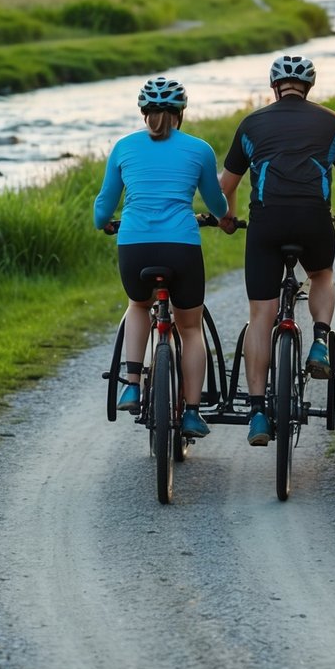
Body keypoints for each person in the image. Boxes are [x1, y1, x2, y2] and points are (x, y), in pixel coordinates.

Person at [219, 54, 335, 447]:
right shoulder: (332, 122)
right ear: (309, 88)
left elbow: (225, 187)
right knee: (321, 274)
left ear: (273, 87)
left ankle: (257, 413)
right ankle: (319, 339)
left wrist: (228, 218)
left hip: (266, 223)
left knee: (261, 314)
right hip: (314, 221)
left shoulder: (251, 124)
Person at [93, 75, 234, 439]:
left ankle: (132, 385)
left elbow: (102, 209)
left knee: (138, 305)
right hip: (181, 246)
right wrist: (224, 219)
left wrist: (106, 222)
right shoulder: (199, 149)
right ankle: (190, 412)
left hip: (135, 246)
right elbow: (217, 203)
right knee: (189, 327)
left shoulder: (124, 147)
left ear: (143, 113)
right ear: (181, 113)